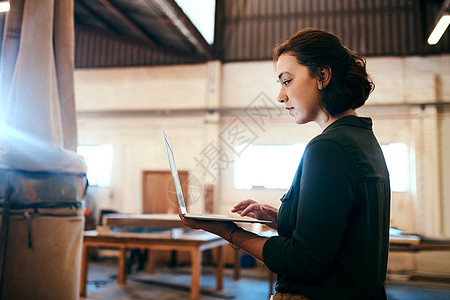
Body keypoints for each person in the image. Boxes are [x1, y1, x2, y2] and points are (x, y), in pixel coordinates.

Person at [179, 28, 390, 300]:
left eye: (287, 81)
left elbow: (305, 262)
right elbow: (342, 233)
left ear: (322, 76)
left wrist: (228, 232)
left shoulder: (328, 148)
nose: (280, 96)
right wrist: (279, 219)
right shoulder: (362, 140)